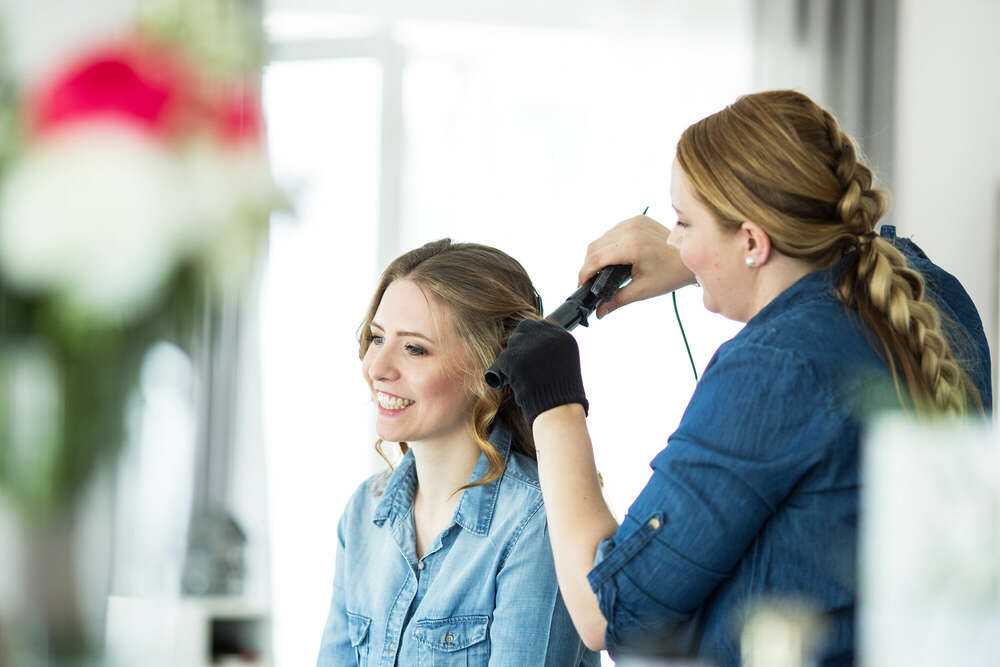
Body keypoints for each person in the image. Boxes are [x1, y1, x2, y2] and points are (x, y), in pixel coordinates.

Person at [490, 90, 992, 666]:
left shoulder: (772, 367)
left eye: (683, 222)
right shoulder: (931, 299)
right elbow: (862, 245)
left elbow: (607, 611)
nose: (674, 241)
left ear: (754, 240)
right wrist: (702, 256)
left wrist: (554, 403)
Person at [316, 240, 599, 666]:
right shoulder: (363, 513)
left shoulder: (535, 520)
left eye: (414, 348)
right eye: (377, 337)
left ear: (489, 368)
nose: (378, 367)